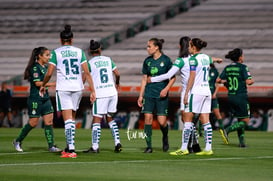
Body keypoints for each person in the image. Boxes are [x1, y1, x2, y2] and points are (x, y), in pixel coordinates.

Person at [40, 25, 96, 158]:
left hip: (64, 88)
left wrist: (44, 84)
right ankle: (68, 146)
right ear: (72, 39)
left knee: (68, 120)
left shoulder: (56, 53)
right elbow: (87, 72)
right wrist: (93, 91)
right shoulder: (79, 52)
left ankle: (71, 149)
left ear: (61, 39)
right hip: (77, 88)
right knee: (72, 118)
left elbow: (49, 73)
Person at [148, 36, 201, 154]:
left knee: (186, 120)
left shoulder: (181, 60)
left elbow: (168, 75)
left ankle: (188, 147)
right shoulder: (197, 58)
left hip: (187, 92)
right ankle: (194, 144)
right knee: (190, 120)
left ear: (180, 46)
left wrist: (153, 79)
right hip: (199, 91)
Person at [13, 47, 61, 152]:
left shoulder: (45, 67)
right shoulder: (35, 68)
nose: (49, 57)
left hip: (45, 98)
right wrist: (53, 84)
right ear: (39, 56)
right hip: (36, 99)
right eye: (47, 55)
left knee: (49, 122)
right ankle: (17, 140)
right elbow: (37, 83)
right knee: (33, 123)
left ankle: (51, 146)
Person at [181, 38, 221, 156]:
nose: (188, 48)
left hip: (197, 92)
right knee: (206, 121)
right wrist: (218, 59)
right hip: (207, 91)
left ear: (193, 47)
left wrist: (186, 93)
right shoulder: (205, 57)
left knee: (187, 119)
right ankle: (208, 148)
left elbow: (192, 77)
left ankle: (183, 148)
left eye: (189, 46)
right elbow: (211, 59)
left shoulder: (193, 59)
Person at [83, 40, 122, 153]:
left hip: (100, 94)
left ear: (90, 51)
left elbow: (84, 78)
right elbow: (117, 74)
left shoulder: (89, 63)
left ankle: (95, 147)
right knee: (110, 118)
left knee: (96, 119)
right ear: (100, 49)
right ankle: (117, 142)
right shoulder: (108, 60)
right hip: (112, 92)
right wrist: (117, 83)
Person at [137, 38, 175, 153]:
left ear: (156, 47)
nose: (147, 48)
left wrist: (166, 89)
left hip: (161, 95)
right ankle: (149, 146)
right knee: (147, 119)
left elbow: (172, 78)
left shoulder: (166, 60)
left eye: (149, 46)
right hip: (148, 93)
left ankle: (165, 137)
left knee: (162, 122)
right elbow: (144, 79)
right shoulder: (147, 61)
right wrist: (140, 95)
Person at [217, 48, 254, 147]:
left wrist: (226, 82)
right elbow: (249, 82)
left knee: (240, 119)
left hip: (231, 97)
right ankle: (227, 130)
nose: (243, 57)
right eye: (243, 55)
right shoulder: (243, 67)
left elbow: (218, 80)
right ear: (240, 57)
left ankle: (242, 143)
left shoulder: (228, 68)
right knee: (245, 121)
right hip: (241, 96)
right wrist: (252, 80)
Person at [209, 63, 224, 130]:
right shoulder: (202, 70)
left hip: (212, 96)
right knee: (202, 114)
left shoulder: (214, 71)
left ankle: (223, 130)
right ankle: (200, 131)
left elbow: (217, 83)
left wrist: (215, 94)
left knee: (217, 113)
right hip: (204, 95)